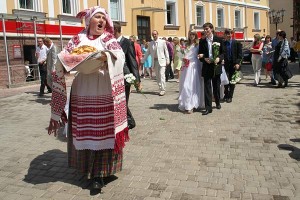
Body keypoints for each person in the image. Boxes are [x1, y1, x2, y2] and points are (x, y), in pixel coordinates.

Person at [47, 6, 128, 193]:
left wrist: (104, 57)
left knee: (103, 133)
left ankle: (100, 173)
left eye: (103, 18)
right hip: (83, 91)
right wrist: (63, 63)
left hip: (104, 91)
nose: (101, 21)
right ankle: (86, 169)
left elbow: (120, 57)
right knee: (86, 131)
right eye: (97, 17)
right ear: (89, 20)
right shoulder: (77, 39)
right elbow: (66, 57)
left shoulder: (108, 38)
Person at [113, 21, 140, 129]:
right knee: (117, 101)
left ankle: (130, 121)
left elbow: (133, 61)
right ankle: (123, 122)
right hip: (113, 77)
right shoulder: (109, 43)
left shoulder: (127, 42)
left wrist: (137, 80)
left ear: (115, 30)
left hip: (125, 76)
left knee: (122, 101)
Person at [198, 23, 224, 115]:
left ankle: (217, 101)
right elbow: (200, 55)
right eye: (204, 29)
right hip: (207, 66)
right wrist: (204, 58)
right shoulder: (202, 41)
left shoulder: (219, 39)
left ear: (212, 29)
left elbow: (223, 53)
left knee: (216, 86)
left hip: (216, 66)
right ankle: (208, 107)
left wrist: (219, 58)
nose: (205, 31)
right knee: (207, 87)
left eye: (207, 29)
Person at [178, 30, 204, 114]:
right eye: (190, 34)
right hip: (186, 67)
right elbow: (181, 54)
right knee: (185, 85)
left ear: (196, 35)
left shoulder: (198, 44)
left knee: (193, 85)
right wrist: (183, 58)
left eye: (193, 34)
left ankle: (192, 105)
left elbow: (201, 54)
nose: (192, 36)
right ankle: (187, 104)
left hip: (194, 66)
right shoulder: (186, 44)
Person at [141, 30, 169, 96]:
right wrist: (143, 60)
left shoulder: (162, 42)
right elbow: (148, 53)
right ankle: (160, 88)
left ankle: (163, 89)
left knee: (162, 75)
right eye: (153, 34)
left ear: (157, 34)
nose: (154, 35)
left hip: (162, 61)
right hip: (155, 61)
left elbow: (166, 51)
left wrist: (168, 60)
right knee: (158, 76)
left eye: (155, 34)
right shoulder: (151, 43)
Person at [222, 29, 242, 103]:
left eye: (230, 34)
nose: (229, 35)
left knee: (232, 80)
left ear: (232, 34)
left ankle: (230, 96)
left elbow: (240, 55)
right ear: (225, 35)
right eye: (227, 34)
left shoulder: (236, 43)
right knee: (226, 80)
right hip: (225, 64)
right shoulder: (223, 43)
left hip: (234, 64)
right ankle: (226, 94)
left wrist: (237, 63)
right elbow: (221, 53)